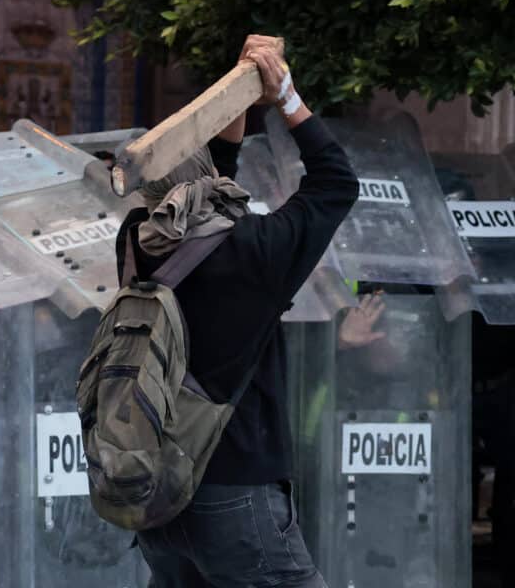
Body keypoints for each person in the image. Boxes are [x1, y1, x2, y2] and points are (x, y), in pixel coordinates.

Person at [114, 35, 358, 587]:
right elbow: (337, 183)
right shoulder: (257, 251)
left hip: (160, 494)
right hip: (236, 499)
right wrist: (286, 96)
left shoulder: (135, 242)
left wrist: (240, 98)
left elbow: (208, 185)